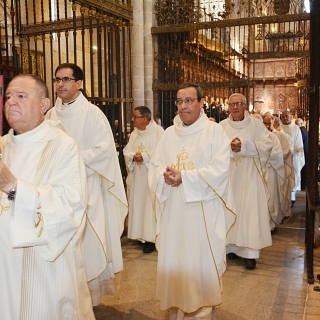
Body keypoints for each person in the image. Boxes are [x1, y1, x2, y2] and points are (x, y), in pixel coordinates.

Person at [0, 74, 94, 319]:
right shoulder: (2, 145)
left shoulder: (62, 146)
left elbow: (70, 206)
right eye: (8, 96)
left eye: (21, 96)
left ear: (44, 105)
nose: (11, 102)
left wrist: (12, 187)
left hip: (41, 270)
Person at [149, 83, 235, 320]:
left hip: (202, 212)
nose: (184, 106)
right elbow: (155, 167)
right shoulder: (168, 134)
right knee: (175, 258)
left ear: (201, 102)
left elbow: (220, 170)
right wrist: (162, 176)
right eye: (179, 101)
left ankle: (202, 312)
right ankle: (176, 306)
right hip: (173, 212)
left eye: (189, 100)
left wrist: (184, 178)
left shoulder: (214, 132)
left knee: (199, 261)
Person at [46, 63, 128, 305]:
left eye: (66, 80)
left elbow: (104, 151)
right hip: (57, 192)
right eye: (57, 79)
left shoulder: (92, 114)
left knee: (86, 243)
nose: (60, 84)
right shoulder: (50, 115)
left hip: (86, 189)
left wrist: (72, 158)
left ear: (79, 83)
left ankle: (89, 300)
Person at [220, 93, 273, 270]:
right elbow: (213, 148)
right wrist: (229, 148)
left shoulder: (256, 125)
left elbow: (267, 145)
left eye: (238, 104)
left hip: (249, 176)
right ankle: (229, 247)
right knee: (229, 209)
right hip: (228, 177)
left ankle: (249, 254)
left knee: (249, 212)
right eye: (232, 104)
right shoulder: (221, 127)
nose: (235, 107)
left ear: (245, 106)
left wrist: (245, 146)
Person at [123, 106, 164, 253]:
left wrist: (145, 156)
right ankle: (140, 235)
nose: (133, 119)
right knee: (139, 205)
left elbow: (162, 153)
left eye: (135, 116)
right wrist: (133, 156)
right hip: (137, 178)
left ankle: (151, 239)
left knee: (149, 206)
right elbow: (127, 150)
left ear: (145, 119)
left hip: (150, 177)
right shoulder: (135, 134)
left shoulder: (159, 132)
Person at [262, 114, 285, 230]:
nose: (266, 126)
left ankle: (270, 224)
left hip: (270, 171)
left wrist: (263, 159)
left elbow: (277, 155)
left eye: (268, 123)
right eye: (264, 123)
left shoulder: (273, 138)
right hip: (259, 172)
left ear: (273, 124)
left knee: (271, 198)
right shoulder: (257, 136)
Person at [280, 111, 304, 206]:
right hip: (281, 158)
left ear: (290, 117)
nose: (285, 118)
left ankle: (292, 197)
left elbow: (298, 143)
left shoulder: (295, 128)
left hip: (293, 157)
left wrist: (291, 151)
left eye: (287, 116)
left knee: (292, 177)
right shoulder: (279, 128)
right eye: (283, 117)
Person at [295, 118, 308, 190]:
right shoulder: (304, 130)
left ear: (301, 124)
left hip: (304, 153)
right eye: (295, 123)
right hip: (305, 153)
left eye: (297, 123)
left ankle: (303, 186)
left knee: (303, 171)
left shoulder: (301, 131)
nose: (296, 125)